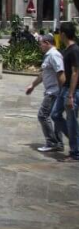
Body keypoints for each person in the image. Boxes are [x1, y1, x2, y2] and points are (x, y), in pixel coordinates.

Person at [26, 34, 65, 152]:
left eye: (41, 44)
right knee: (55, 116)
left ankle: (52, 142)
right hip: (52, 91)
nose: (40, 46)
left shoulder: (54, 55)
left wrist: (62, 92)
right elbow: (44, 74)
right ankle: (58, 143)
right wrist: (33, 85)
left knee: (43, 115)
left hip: (54, 92)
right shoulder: (49, 55)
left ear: (47, 43)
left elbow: (61, 73)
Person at [51, 22, 79, 161]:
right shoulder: (68, 49)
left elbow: (75, 73)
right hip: (65, 88)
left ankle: (75, 152)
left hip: (71, 90)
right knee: (55, 114)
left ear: (63, 34)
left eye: (59, 33)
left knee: (71, 121)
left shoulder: (74, 50)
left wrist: (71, 94)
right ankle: (76, 142)